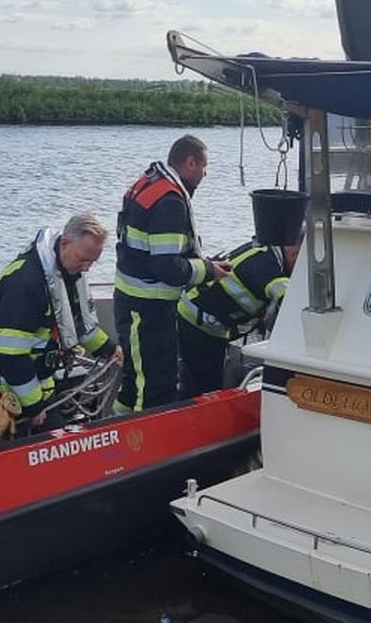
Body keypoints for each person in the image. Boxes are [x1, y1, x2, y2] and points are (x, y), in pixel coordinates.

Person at [0, 213, 118, 435]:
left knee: (57, 444)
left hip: (31, 384)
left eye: (93, 261)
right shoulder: (25, 283)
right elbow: (10, 355)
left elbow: (78, 325)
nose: (87, 268)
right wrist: (33, 405)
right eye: (83, 259)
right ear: (64, 243)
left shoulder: (68, 275)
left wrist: (110, 350)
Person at [114, 134, 224, 413]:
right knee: (154, 388)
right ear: (190, 163)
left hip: (133, 300)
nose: (205, 173)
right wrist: (208, 269)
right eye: (204, 165)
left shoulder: (151, 183)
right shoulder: (171, 201)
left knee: (133, 383)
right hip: (149, 308)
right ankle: (141, 448)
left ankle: (118, 436)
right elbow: (166, 267)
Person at [177, 237, 297, 398]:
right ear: (293, 253)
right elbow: (291, 301)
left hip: (206, 321)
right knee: (204, 385)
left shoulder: (264, 251)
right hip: (198, 323)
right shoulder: (267, 266)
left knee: (206, 380)